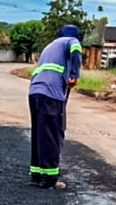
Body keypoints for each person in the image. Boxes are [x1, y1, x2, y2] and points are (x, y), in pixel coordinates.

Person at [27, 24, 82, 189]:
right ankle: (50, 178)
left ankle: (36, 175)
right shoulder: (72, 41)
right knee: (51, 134)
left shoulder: (50, 45)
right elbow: (76, 52)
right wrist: (74, 74)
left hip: (35, 91)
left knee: (39, 133)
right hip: (51, 94)